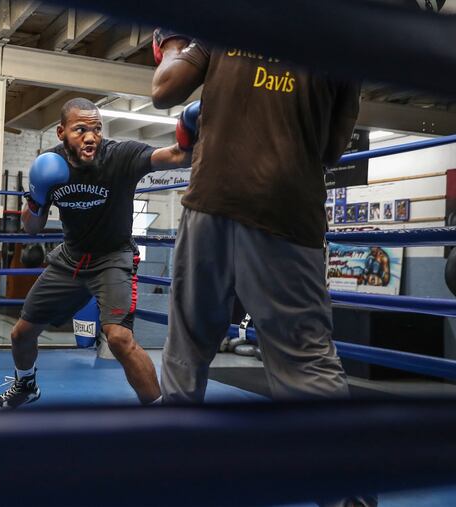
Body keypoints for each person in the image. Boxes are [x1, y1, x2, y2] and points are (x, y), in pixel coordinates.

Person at [153, 33, 373, 506]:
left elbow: (164, 90)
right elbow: (332, 150)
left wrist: (172, 43)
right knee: (304, 357)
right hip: (286, 208)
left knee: (188, 342)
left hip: (214, 197)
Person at [0, 97, 191, 410]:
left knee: (119, 338)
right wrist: (37, 198)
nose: (91, 136)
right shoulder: (50, 163)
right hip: (70, 258)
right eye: (80, 129)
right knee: (20, 334)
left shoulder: (121, 156)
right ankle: (25, 385)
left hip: (112, 258)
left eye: (96, 129)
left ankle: (161, 414)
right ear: (61, 132)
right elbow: (32, 229)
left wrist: (195, 133)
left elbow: (177, 156)